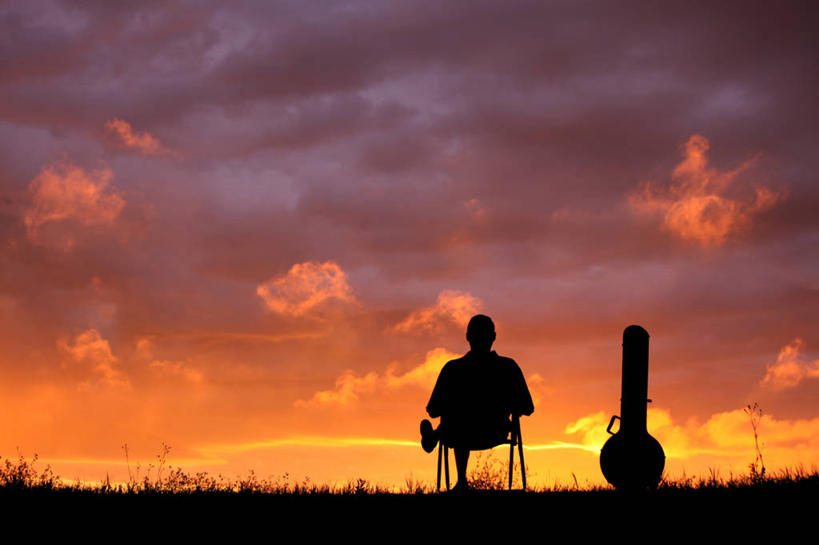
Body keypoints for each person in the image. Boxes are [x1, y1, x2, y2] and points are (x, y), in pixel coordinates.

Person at [420, 314, 534, 490]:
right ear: (494, 337)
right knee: (459, 422)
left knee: (457, 421)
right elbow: (528, 407)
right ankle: (436, 435)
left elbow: (434, 410)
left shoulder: (453, 369)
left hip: (458, 431)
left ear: (467, 337)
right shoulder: (508, 367)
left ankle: (437, 440)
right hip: (496, 430)